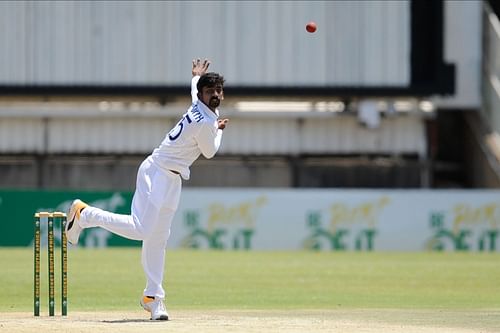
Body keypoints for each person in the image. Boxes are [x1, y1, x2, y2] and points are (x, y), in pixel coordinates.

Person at [65, 59, 228, 320]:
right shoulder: (205, 122)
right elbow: (209, 152)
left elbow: (195, 90)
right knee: (143, 229)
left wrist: (197, 77)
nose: (217, 95)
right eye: (211, 91)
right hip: (157, 173)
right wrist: (219, 132)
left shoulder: (200, 106)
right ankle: (84, 215)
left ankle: (153, 298)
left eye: (219, 90)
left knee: (158, 238)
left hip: (172, 179)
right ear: (202, 95)